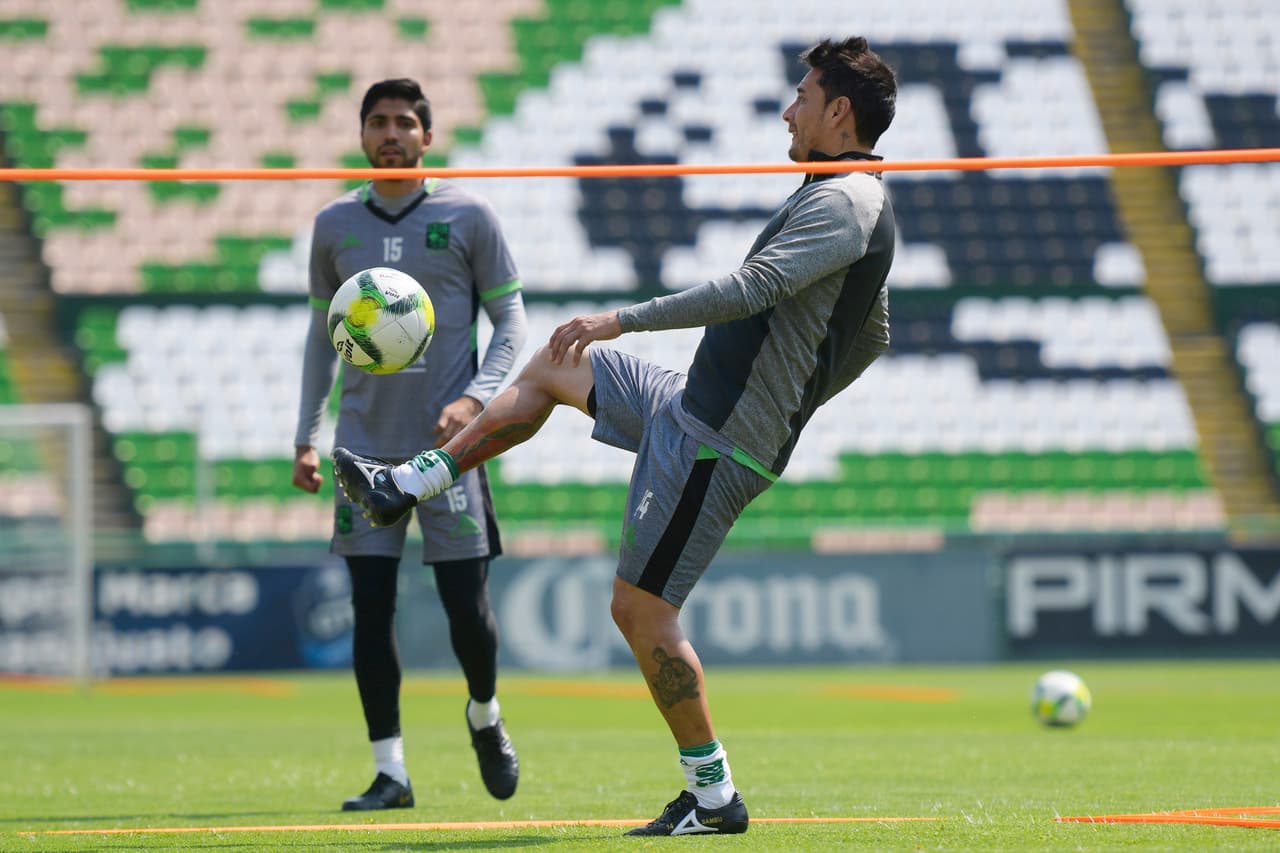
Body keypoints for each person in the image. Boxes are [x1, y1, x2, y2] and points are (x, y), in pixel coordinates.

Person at [333, 38, 897, 834]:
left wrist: (627, 321)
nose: (788, 108)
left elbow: (755, 290)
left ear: (839, 111)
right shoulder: (838, 194)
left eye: (802, 96)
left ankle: (714, 796)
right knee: (558, 364)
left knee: (640, 611)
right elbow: (871, 332)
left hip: (719, 436)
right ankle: (410, 484)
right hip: (694, 402)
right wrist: (795, 392)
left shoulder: (845, 203)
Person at [293, 78, 527, 811]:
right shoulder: (334, 224)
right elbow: (318, 337)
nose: (390, 132)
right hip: (362, 452)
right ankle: (390, 770)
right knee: (370, 608)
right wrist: (307, 435)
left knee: (467, 607)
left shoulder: (468, 214)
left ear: (428, 136)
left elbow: (513, 322)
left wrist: (473, 401)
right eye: (378, 122)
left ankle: (484, 713)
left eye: (404, 122)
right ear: (363, 137)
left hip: (447, 456)